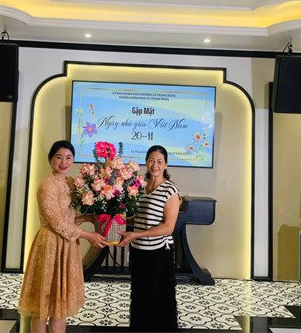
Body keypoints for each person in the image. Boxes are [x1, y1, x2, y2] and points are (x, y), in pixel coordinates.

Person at [18, 140, 109, 333]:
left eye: (68, 157)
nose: (64, 162)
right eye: (59, 157)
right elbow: (57, 222)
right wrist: (88, 235)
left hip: (68, 246)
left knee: (60, 307)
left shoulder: (71, 182)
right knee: (42, 306)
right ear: (51, 159)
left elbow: (69, 216)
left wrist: (92, 217)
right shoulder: (47, 185)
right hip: (50, 245)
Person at [117, 145, 181, 332]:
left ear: (166, 165)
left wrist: (136, 234)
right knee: (140, 297)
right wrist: (118, 221)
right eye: (152, 160)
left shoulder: (170, 190)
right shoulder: (140, 186)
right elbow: (140, 217)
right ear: (146, 162)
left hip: (158, 254)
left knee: (158, 301)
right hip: (139, 252)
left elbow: (168, 227)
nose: (155, 165)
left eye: (160, 161)